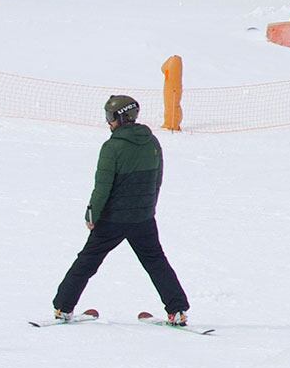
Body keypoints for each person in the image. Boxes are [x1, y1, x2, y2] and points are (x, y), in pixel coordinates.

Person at [50, 95, 191, 326]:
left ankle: (63, 308)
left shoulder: (112, 147)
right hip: (143, 219)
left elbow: (103, 186)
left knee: (87, 261)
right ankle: (177, 311)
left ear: (122, 117)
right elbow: (157, 179)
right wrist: (148, 208)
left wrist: (92, 214)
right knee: (156, 261)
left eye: (110, 117)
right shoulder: (152, 142)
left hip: (113, 219)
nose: (108, 122)